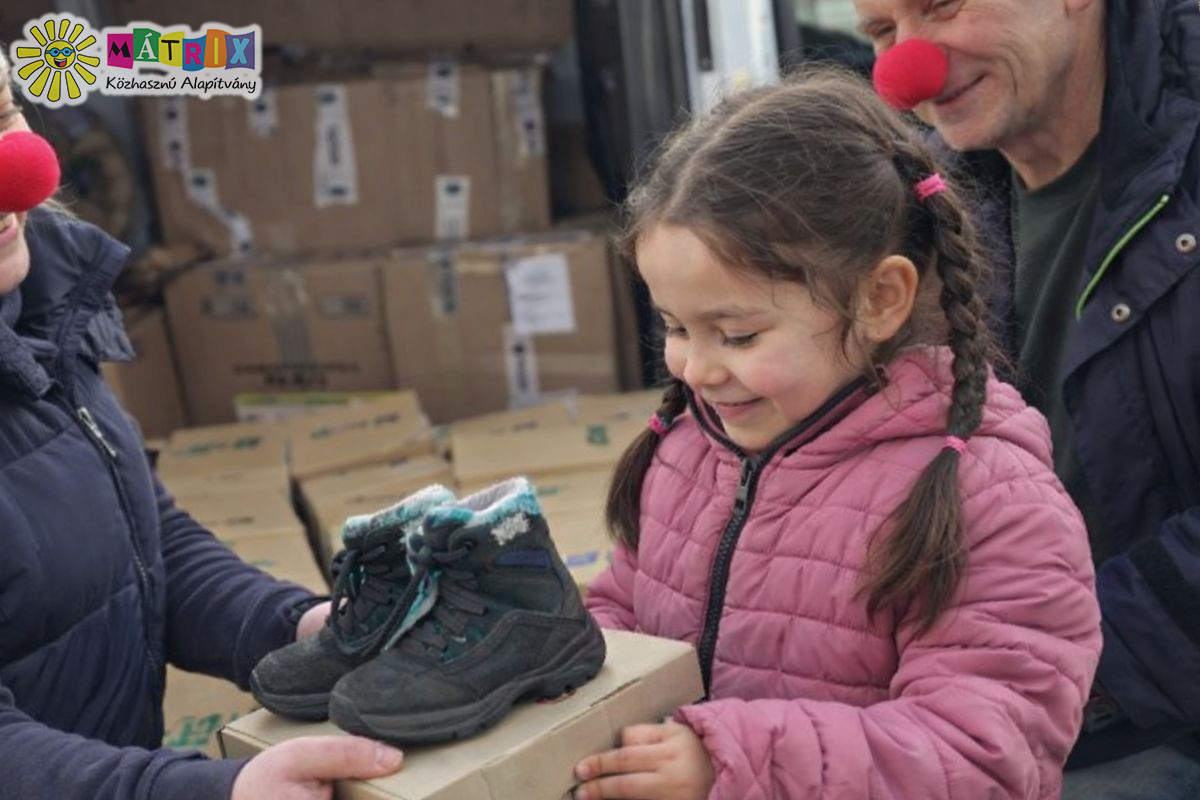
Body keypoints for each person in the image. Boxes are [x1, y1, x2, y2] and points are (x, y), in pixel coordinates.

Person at [572, 69, 1102, 800]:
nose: (696, 367)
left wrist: (732, 764)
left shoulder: (991, 501)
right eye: (674, 327)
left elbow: (982, 759)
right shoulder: (691, 452)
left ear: (881, 299)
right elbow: (627, 609)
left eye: (737, 333)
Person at [0, 49, 403, 799]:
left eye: (2, 116)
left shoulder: (40, 311)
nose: (12, 172)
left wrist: (298, 629)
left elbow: (145, 544)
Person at [852, 0, 1200, 794]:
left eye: (940, 6)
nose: (910, 66)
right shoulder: (937, 209)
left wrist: (1045, 654)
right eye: (881, 33)